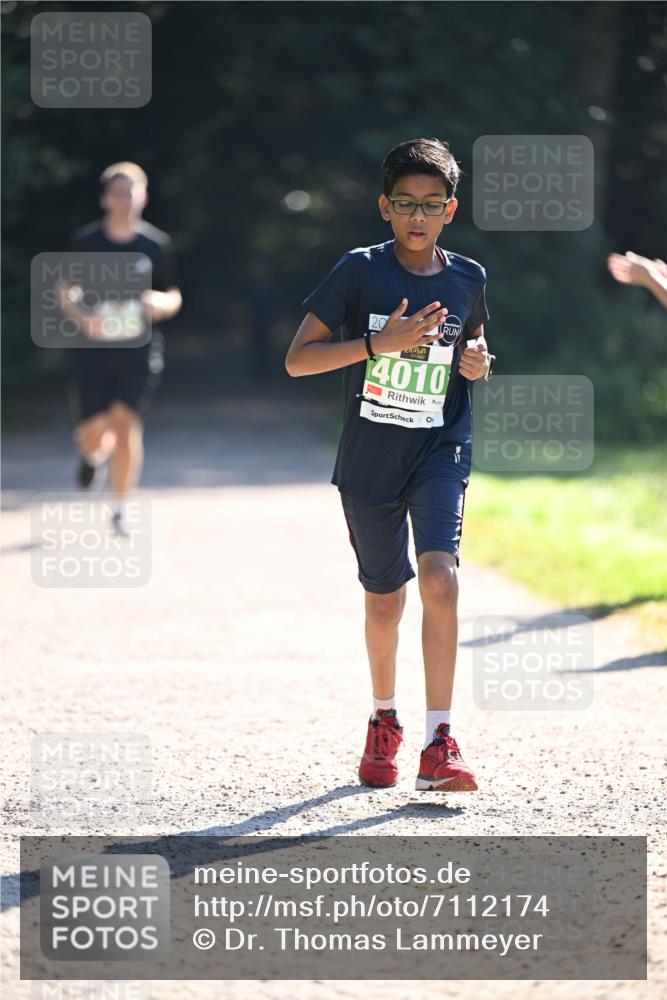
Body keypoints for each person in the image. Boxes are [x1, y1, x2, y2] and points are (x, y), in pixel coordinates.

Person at [285, 137, 494, 793]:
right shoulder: (359, 270)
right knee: (385, 600)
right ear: (385, 206)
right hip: (370, 459)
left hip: (439, 447)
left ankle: (440, 742)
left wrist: (478, 362)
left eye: (431, 204)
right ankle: (384, 719)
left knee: (440, 579)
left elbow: (475, 342)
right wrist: (380, 343)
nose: (417, 215)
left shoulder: (468, 276)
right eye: (405, 203)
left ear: (450, 210)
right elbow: (298, 360)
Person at [58, 162, 182, 534]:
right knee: (96, 430)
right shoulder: (85, 242)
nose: (125, 199)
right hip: (92, 351)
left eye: (132, 192)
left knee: (126, 423)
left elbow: (174, 294)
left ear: (143, 197)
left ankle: (119, 508)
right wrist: (84, 318)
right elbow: (65, 292)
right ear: (105, 198)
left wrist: (161, 303)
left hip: (139, 350)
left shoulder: (155, 244)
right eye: (118, 193)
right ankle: (89, 456)